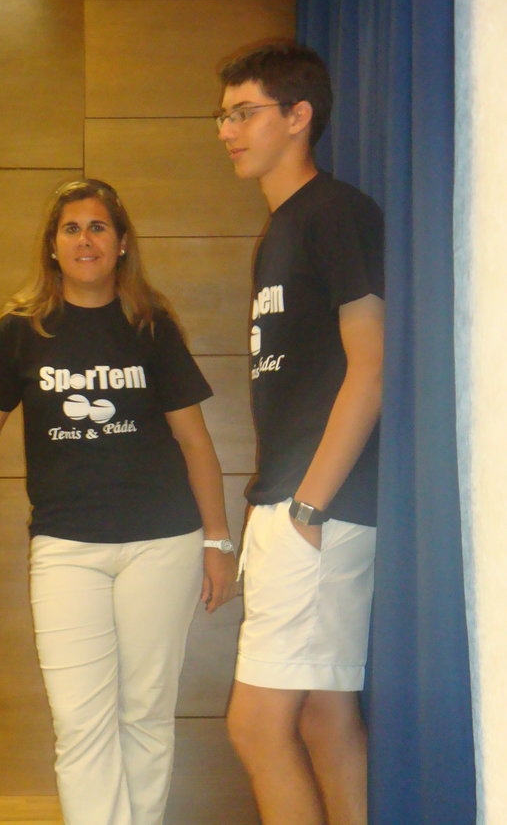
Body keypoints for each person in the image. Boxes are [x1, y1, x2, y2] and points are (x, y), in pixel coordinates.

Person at [0, 178, 237, 825]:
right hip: (66, 549)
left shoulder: (150, 327)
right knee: (80, 721)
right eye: (71, 229)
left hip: (161, 544)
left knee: (144, 714)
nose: (85, 240)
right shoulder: (21, 332)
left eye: (98, 227)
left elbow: (194, 441)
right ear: (52, 246)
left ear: (122, 243)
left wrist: (217, 541)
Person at [215, 42, 385, 825]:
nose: (226, 131)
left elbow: (370, 367)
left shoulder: (335, 213)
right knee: (322, 714)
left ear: (297, 116)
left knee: (255, 725)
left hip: (315, 505)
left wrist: (309, 506)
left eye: (242, 113)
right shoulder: (280, 229)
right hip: (293, 502)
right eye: (223, 116)